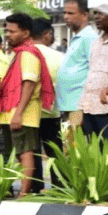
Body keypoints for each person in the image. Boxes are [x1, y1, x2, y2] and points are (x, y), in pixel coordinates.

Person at [0, 14, 55, 196]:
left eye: (12, 31)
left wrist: (18, 114)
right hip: (13, 112)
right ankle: (24, 191)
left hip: (21, 114)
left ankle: (24, 194)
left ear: (26, 32)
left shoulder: (27, 54)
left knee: (25, 153)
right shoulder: (19, 53)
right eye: (6, 31)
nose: (8, 35)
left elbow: (29, 83)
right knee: (19, 154)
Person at [76, 4, 108, 140]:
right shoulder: (96, 42)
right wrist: (82, 108)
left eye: (101, 13)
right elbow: (91, 74)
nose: (96, 17)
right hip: (89, 107)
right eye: (95, 13)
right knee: (94, 153)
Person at [31, 18, 65, 188]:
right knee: (55, 152)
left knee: (32, 153)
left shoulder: (20, 55)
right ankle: (59, 187)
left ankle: (35, 188)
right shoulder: (59, 57)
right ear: (47, 34)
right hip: (53, 112)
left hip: (28, 114)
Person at [55, 0, 97, 128]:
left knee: (74, 146)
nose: (66, 17)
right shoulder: (77, 37)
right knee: (69, 145)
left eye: (71, 13)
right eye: (64, 13)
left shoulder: (89, 37)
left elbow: (94, 70)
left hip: (79, 105)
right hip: (69, 105)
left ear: (85, 15)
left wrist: (86, 106)